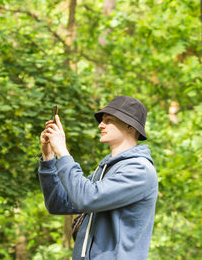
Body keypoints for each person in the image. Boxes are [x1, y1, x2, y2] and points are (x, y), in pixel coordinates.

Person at [38, 96, 158, 260]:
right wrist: (48, 157)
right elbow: (57, 204)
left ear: (130, 125)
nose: (101, 125)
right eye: (102, 120)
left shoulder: (140, 170)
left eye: (109, 120)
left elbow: (87, 198)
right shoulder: (104, 170)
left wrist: (62, 151)